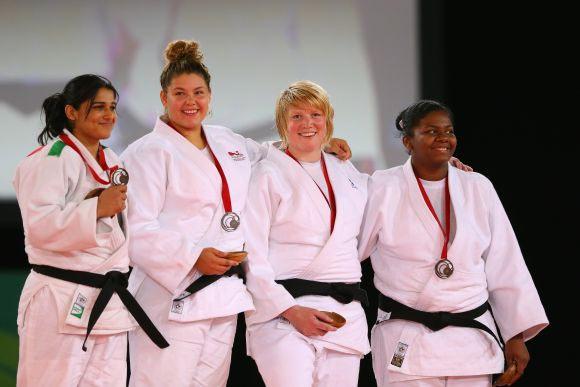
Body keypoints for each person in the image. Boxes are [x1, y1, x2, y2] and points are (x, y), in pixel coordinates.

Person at [121, 40, 350, 386]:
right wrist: (193, 256)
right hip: (169, 298)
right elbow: (137, 231)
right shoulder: (147, 152)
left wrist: (318, 144)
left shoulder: (225, 140)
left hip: (223, 298)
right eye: (179, 93)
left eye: (198, 92)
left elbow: (271, 154)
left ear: (209, 97)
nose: (190, 102)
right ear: (163, 98)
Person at [358, 100, 549, 387]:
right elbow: (351, 249)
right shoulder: (382, 186)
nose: (443, 138)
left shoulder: (478, 187)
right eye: (432, 131)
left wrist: (515, 335)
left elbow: (505, 263)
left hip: (470, 340)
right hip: (407, 336)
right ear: (408, 141)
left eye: (448, 131)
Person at [13, 74, 167, 387]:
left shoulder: (111, 159)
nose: (109, 115)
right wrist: (97, 207)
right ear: (71, 112)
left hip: (107, 301)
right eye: (98, 107)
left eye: (112, 107)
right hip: (59, 298)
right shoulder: (50, 160)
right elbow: (39, 227)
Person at [243, 80, 370, 387]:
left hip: (343, 315)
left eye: (316, 115)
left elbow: (392, 198)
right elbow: (252, 257)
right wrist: (290, 310)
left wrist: (445, 170)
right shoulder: (266, 174)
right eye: (297, 116)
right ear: (282, 125)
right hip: (284, 314)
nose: (307, 123)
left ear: (328, 120)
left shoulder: (346, 170)